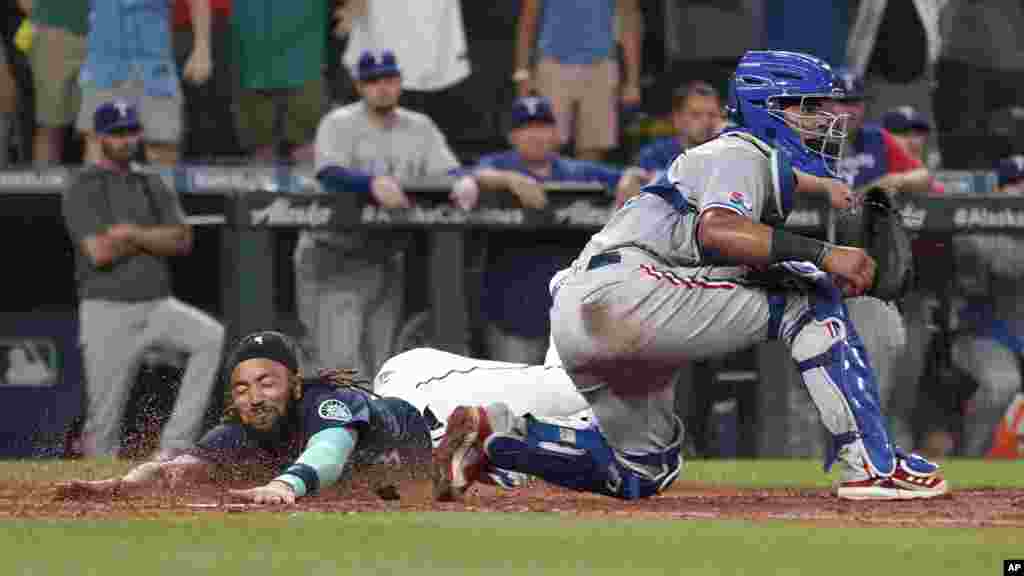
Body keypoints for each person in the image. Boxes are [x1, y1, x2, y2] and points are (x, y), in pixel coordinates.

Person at [432, 50, 948, 502]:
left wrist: (825, 217)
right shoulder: (742, 151)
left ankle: (496, 435)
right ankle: (875, 467)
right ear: (768, 111)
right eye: (806, 106)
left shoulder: (744, 163)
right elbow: (718, 229)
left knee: (641, 470)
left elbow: (727, 247)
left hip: (590, 309)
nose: (822, 119)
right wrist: (825, 255)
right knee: (808, 297)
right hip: (628, 292)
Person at [56, 331, 432, 505]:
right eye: (241, 388)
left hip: (433, 416)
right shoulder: (241, 429)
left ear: (295, 384)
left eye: (267, 383)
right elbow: (177, 468)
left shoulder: (324, 401)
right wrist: (123, 485)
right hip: (394, 481)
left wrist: (285, 486)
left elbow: (329, 453)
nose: (253, 398)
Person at [61, 100, 225, 459]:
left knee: (210, 337)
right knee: (103, 423)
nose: (126, 139)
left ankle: (174, 446)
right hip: (107, 310)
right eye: (117, 133)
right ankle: (94, 494)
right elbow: (99, 252)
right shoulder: (82, 185)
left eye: (131, 131)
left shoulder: (151, 182)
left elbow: (182, 241)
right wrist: (154, 238)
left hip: (157, 305)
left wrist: (131, 233)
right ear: (100, 136)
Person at [296, 50, 469, 378]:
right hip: (333, 256)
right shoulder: (339, 122)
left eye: (388, 79)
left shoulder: (419, 127)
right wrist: (369, 183)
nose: (382, 87)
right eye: (373, 81)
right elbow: (329, 173)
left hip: (386, 257)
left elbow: (450, 171)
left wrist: (461, 181)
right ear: (360, 86)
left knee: (382, 369)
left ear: (400, 82)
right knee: (341, 372)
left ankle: (377, 430)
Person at [461, 95, 648, 363]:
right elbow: (462, 176)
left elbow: (635, 174)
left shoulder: (574, 170)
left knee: (569, 401)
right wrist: (509, 180)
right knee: (515, 399)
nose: (536, 135)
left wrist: (630, 177)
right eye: (526, 128)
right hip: (512, 313)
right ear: (513, 136)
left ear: (555, 134)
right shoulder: (499, 165)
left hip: (571, 318)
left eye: (543, 127)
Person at [939, 155, 1024, 457]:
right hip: (981, 337)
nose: (1021, 189)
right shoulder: (973, 224)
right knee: (1003, 384)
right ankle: (970, 457)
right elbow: (1003, 264)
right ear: (998, 191)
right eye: (1014, 183)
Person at [76, 0, 212, 166]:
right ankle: (97, 191)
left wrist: (202, 48)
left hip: (155, 66)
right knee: (99, 149)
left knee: (162, 148)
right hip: (103, 63)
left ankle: (160, 192)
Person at [514, 0, 642, 162]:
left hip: (601, 65)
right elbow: (528, 17)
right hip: (553, 63)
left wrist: (633, 81)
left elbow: (629, 18)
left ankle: (585, 186)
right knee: (545, 143)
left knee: (593, 145)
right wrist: (522, 71)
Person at [18, 0, 88, 165]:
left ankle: (101, 189)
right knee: (50, 125)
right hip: (53, 30)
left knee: (107, 128)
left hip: (112, 34)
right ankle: (44, 190)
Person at [634, 80, 724, 174]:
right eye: (696, 115)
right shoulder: (654, 155)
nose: (706, 121)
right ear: (677, 118)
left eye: (712, 115)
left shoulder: (728, 155)